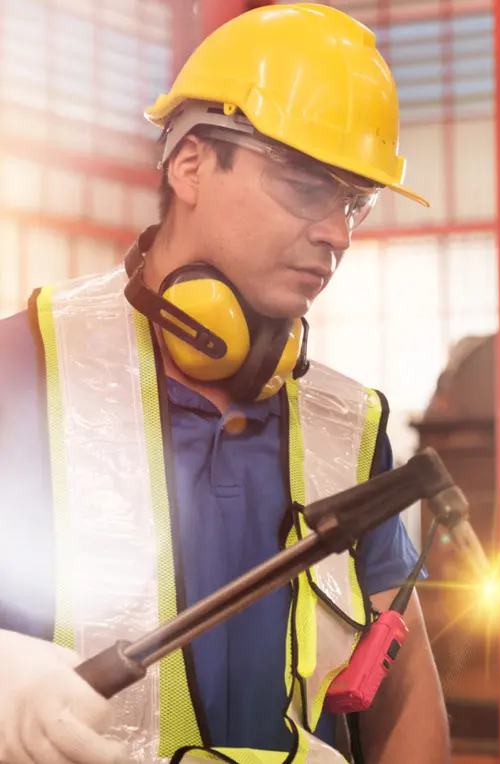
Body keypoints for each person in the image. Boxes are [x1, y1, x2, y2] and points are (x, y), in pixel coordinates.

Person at [0, 4, 450, 764]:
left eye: (354, 203)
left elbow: (403, 696)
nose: (338, 233)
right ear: (191, 165)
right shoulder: (22, 372)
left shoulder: (347, 425)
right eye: (308, 186)